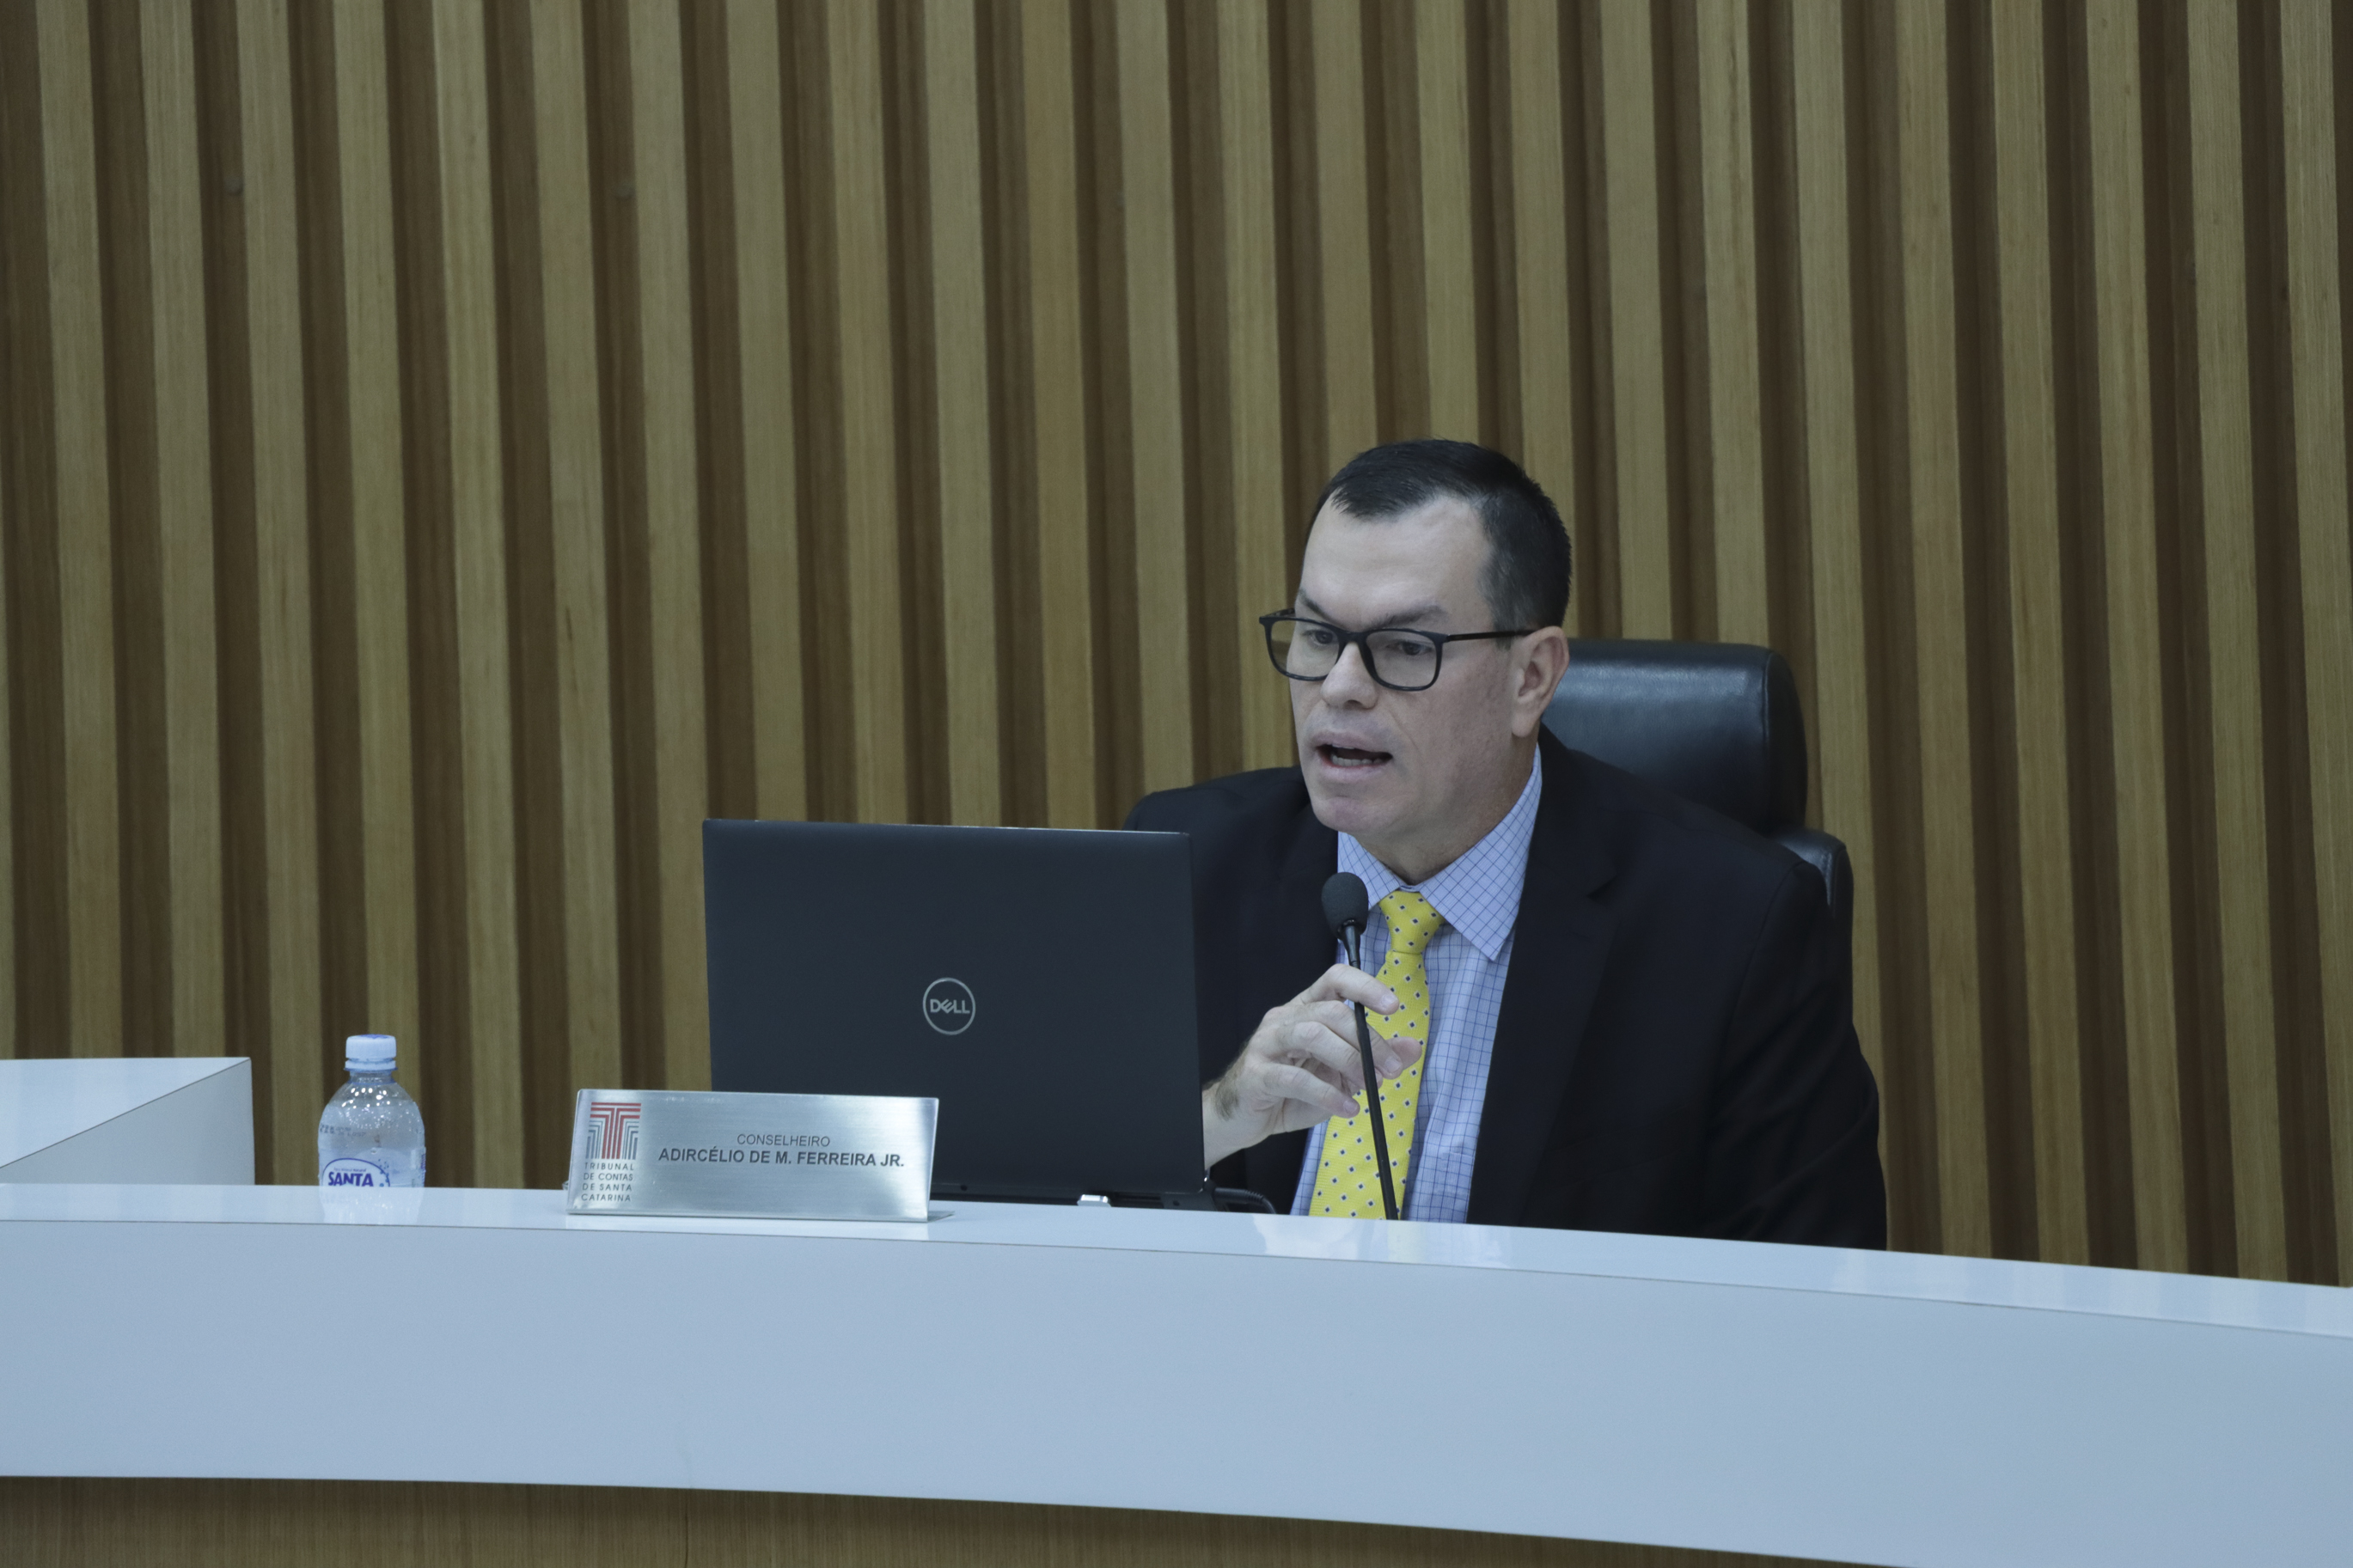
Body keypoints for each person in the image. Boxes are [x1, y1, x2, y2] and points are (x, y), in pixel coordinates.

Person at [1124, 439, 1885, 1244]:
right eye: (1317, 636)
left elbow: (1810, 1286)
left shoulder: (1731, 930)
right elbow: (1047, 1200)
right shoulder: (1183, 865)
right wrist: (1219, 1116)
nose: (1341, 686)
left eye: (1405, 648)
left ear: (1531, 679)